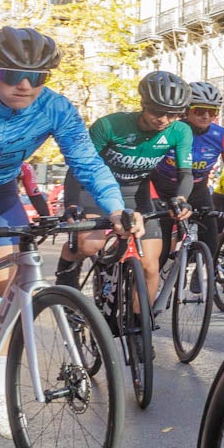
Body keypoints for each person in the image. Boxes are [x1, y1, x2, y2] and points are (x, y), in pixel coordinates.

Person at [0, 27, 131, 435]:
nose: (25, 86)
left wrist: (117, 207)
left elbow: (86, 161)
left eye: (39, 77)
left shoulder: (56, 108)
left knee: (0, 290)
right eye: (11, 75)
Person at [58, 71, 195, 305]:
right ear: (143, 104)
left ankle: (141, 334)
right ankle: (66, 282)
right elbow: (78, 168)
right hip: (95, 192)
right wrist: (71, 204)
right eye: (157, 111)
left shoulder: (180, 131)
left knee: (150, 266)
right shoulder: (111, 125)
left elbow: (185, 173)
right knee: (89, 245)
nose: (164, 119)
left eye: (173, 114)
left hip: (136, 194)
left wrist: (181, 199)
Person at [152, 81, 224, 260]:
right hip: (162, 189)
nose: (206, 116)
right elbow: (148, 165)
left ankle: (206, 279)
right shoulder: (168, 130)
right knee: (161, 250)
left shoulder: (222, 136)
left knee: (211, 245)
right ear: (186, 110)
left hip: (198, 190)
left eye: (212, 112)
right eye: (199, 110)